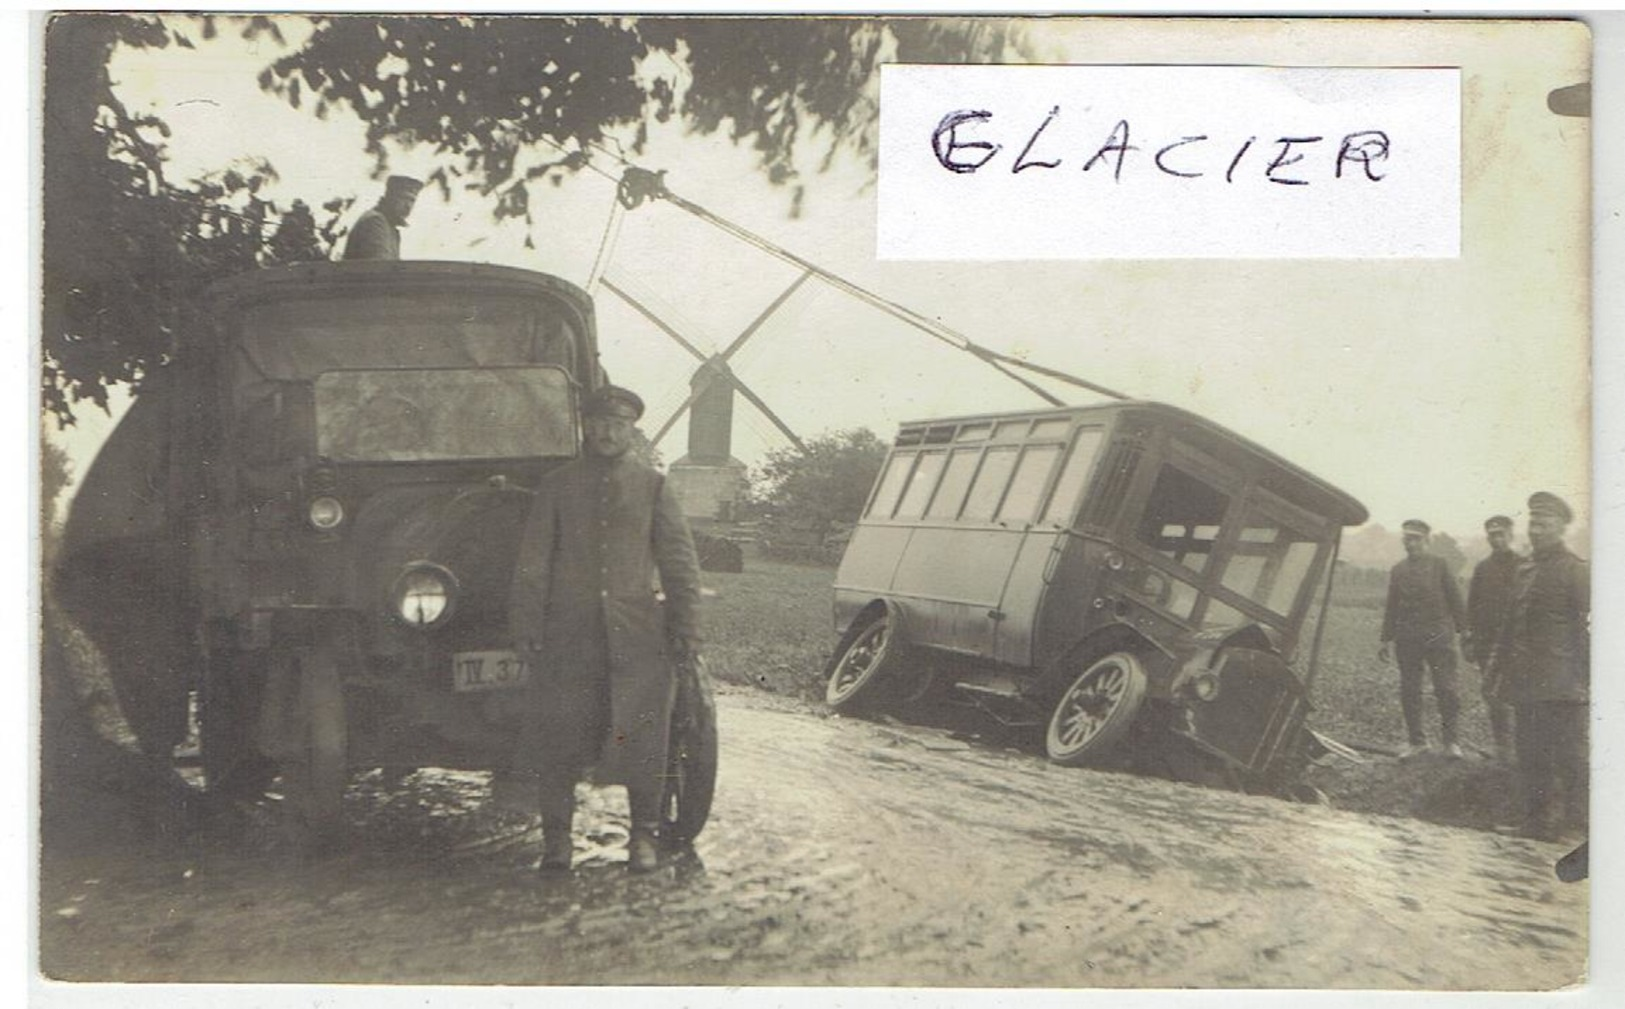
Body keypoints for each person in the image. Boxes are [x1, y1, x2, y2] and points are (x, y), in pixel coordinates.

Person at [507, 385, 704, 873]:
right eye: (599, 424)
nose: (607, 433)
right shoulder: (557, 485)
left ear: (633, 429)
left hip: (637, 636)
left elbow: (679, 562)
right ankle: (557, 843)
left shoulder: (654, 486)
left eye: (618, 425)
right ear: (586, 427)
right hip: (567, 636)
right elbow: (533, 561)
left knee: (643, 737)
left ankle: (643, 838)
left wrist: (686, 626)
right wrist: (528, 623)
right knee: (559, 741)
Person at [1491, 491, 1589, 841]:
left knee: (1571, 758)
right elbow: (1509, 625)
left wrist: (1587, 681)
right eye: (1533, 522)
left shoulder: (1576, 570)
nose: (1536, 530)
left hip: (1563, 685)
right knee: (1531, 755)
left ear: (1561, 528)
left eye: (1544, 523)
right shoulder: (1525, 569)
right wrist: (1494, 672)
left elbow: (1589, 629)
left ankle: (1577, 827)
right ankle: (1535, 823)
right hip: (1526, 683)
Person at [1379, 518, 1467, 758]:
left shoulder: (1440, 565)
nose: (1411, 544)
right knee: (1410, 690)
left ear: (1426, 541)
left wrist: (1464, 631)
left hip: (1438, 638)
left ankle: (1451, 742)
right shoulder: (1398, 570)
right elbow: (1392, 606)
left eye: (1416, 539)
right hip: (1407, 639)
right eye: (1407, 539)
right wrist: (1385, 638)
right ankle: (1417, 742)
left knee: (1446, 689)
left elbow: (1456, 600)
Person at [1464, 515, 1520, 762]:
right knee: (1492, 695)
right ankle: (1503, 748)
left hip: (1518, 643)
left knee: (1519, 697)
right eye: (1492, 535)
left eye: (1501, 534)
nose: (1497, 539)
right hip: (1488, 644)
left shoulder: (1524, 565)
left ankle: (1523, 750)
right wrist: (1469, 639)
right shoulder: (1482, 568)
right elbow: (1472, 605)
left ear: (1511, 535)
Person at [341, 175, 422, 260]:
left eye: (412, 200)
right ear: (390, 197)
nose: (408, 206)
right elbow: (381, 267)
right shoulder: (375, 221)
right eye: (404, 198)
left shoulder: (388, 226)